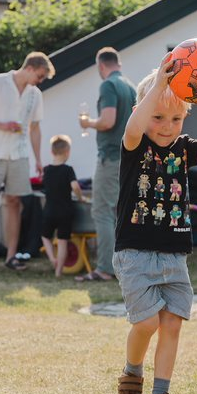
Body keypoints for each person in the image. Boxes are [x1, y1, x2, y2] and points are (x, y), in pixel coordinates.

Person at [114, 54, 197, 394]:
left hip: (174, 255)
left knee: (171, 324)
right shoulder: (135, 146)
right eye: (158, 117)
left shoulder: (184, 149)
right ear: (142, 111)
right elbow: (134, 126)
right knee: (146, 323)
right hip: (134, 253)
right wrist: (161, 87)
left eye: (177, 118)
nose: (167, 126)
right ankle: (132, 372)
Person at [0, 51, 54, 271]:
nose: (41, 81)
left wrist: (38, 159)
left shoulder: (35, 94)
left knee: (14, 202)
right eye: (41, 76)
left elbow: (35, 128)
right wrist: (1, 125)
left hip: (19, 154)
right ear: (30, 68)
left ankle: (11, 257)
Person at [76, 47, 137, 282]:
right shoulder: (130, 86)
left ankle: (105, 269)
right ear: (118, 63)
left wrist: (88, 123)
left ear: (101, 66)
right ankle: (124, 265)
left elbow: (107, 120)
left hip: (110, 157)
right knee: (121, 213)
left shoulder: (108, 85)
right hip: (127, 157)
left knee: (101, 211)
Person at [40, 134, 85, 278]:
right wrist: (80, 197)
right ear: (67, 152)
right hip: (65, 211)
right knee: (62, 241)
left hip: (49, 210)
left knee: (45, 237)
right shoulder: (68, 169)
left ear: (52, 152)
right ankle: (58, 271)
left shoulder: (46, 170)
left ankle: (52, 258)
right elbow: (75, 186)